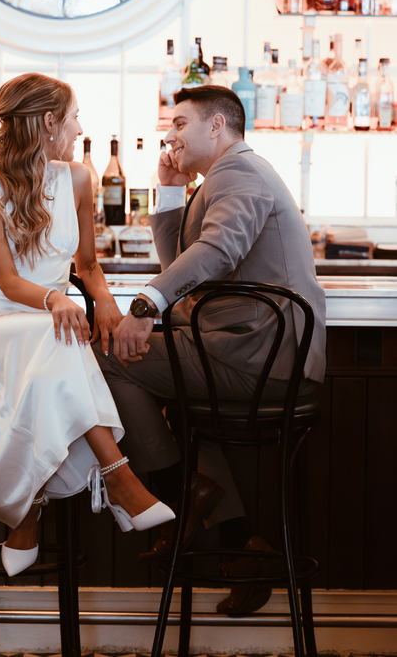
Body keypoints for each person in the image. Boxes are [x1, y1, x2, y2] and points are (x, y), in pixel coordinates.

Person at [95, 85, 326, 614]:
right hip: (244, 353)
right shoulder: (219, 178)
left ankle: (179, 493)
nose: (169, 134)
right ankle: (234, 532)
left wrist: (146, 304)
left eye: (179, 124)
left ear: (217, 126)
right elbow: (186, 258)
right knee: (172, 396)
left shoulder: (239, 172)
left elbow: (218, 252)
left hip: (263, 363)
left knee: (106, 356)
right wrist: (171, 191)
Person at [0, 72, 174, 578]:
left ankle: (29, 513)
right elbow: (6, 281)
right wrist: (54, 297)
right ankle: (119, 478)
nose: (78, 128)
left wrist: (109, 307)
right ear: (50, 122)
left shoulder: (78, 179)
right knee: (59, 336)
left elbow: (88, 265)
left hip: (46, 330)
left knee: (57, 347)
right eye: (73, 118)